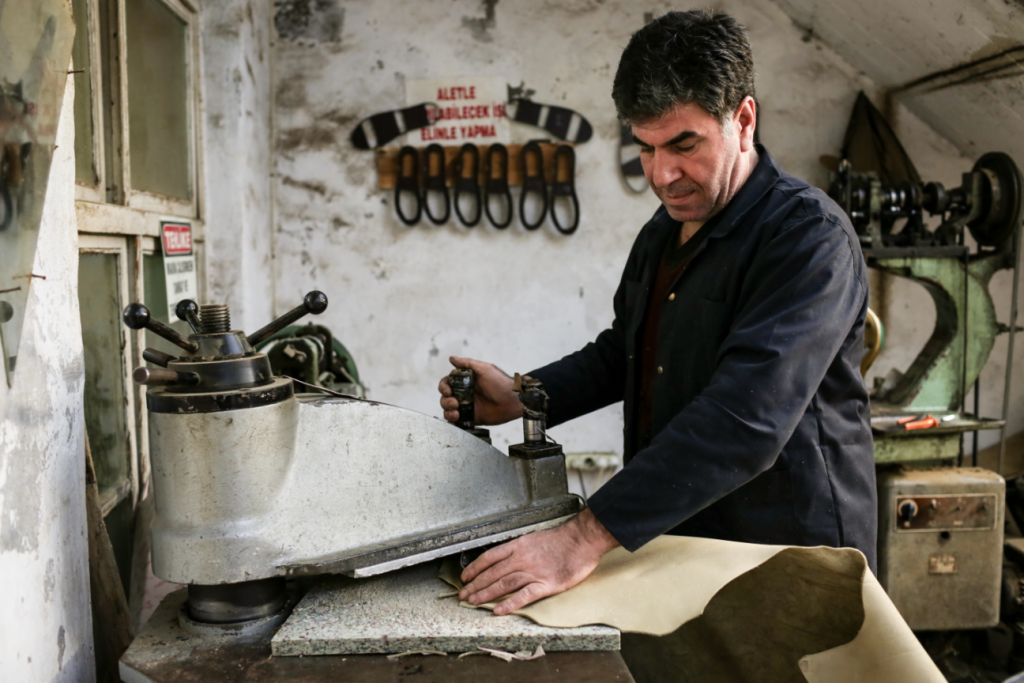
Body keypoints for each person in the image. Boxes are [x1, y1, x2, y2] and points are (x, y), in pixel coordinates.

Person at [438, 9, 876, 617]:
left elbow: (743, 420)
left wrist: (580, 539)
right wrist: (525, 396)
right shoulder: (665, 231)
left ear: (743, 120)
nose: (662, 175)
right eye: (644, 148)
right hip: (682, 542)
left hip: (789, 559)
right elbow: (627, 351)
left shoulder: (808, 238)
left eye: (683, 145)